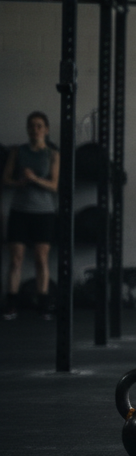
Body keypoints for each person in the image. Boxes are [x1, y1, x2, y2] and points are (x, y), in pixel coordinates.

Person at [3, 112, 58, 321]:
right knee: (15, 260)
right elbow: (6, 179)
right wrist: (19, 182)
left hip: (44, 213)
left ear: (46, 129)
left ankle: (43, 306)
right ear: (27, 129)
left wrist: (34, 179)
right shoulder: (17, 151)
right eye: (31, 126)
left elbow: (54, 185)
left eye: (39, 126)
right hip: (19, 211)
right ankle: (11, 306)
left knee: (41, 260)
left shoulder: (53, 154)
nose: (35, 129)